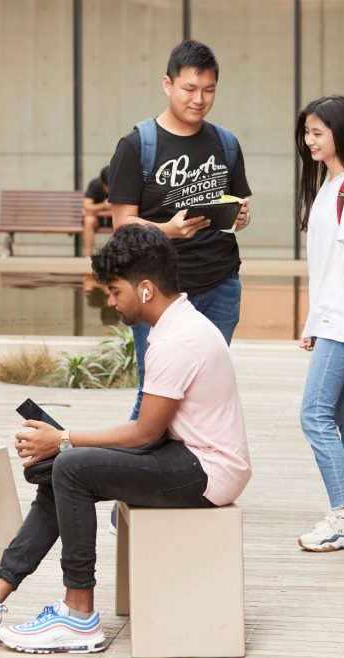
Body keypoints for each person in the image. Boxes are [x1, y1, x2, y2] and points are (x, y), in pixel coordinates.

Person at [0, 225, 251, 654]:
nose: (109, 300)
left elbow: (146, 430)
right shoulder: (175, 325)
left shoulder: (178, 340)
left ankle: (79, 614)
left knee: (70, 465)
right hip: (185, 455)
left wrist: (63, 438)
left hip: (207, 472)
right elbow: (149, 431)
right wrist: (63, 445)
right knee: (61, 469)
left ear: (145, 289)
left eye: (114, 290)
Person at [108, 39, 252, 421]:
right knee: (155, 391)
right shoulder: (138, 144)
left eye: (209, 90)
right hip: (159, 292)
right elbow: (122, 223)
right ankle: (136, 472)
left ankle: (195, 475)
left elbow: (237, 205)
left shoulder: (226, 142)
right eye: (189, 89)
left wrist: (239, 216)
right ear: (167, 84)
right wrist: (167, 230)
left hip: (220, 284)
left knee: (208, 391)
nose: (199, 99)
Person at [295, 96, 344, 552]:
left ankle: (342, 515)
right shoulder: (329, 184)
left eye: (317, 132)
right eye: (306, 132)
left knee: (314, 414)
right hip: (330, 319)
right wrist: (312, 322)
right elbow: (326, 266)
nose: (309, 141)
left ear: (340, 132)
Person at [82, 166, 111, 256]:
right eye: (107, 186)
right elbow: (86, 206)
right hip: (98, 219)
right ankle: (88, 255)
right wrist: (103, 205)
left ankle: (119, 257)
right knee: (88, 220)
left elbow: (123, 211)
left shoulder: (121, 185)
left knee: (124, 221)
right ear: (101, 181)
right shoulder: (95, 184)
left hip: (114, 218)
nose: (110, 189)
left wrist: (95, 211)